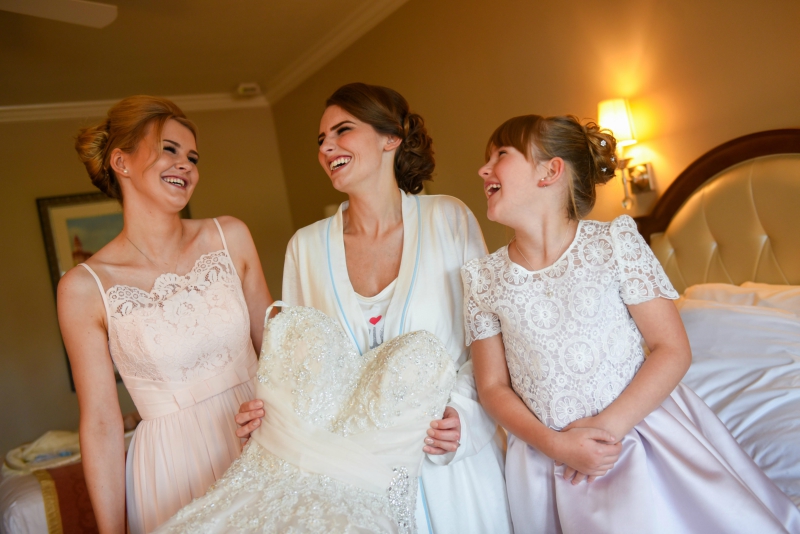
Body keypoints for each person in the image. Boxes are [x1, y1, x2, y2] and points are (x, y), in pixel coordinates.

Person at [463, 114, 800, 533]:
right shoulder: (483, 278)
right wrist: (556, 444)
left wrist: (605, 431)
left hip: (637, 435)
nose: (483, 169)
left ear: (550, 171)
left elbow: (671, 349)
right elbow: (493, 387)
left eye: (501, 154)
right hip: (545, 457)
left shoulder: (613, 244)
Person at [237, 83, 512, 533]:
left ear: (392, 138)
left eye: (342, 131)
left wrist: (464, 417)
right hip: (356, 486)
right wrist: (268, 417)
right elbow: (300, 371)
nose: (327, 147)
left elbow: (486, 337)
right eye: (321, 140)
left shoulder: (449, 219)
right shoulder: (305, 248)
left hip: (449, 468)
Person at [59, 96, 272, 533]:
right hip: (174, 466)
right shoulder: (84, 287)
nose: (186, 165)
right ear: (121, 161)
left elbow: (277, 350)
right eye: (169, 150)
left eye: (192, 156)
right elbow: (100, 422)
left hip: (263, 437)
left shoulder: (229, 236)